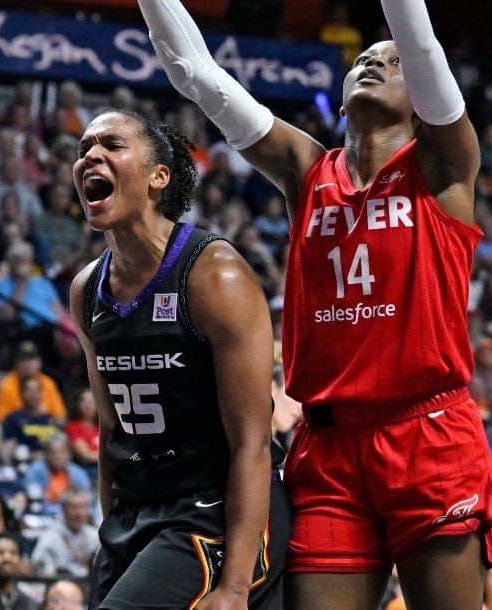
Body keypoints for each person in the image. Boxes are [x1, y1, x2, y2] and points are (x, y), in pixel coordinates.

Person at [138, 0, 492, 607]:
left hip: (429, 432)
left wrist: (407, 45)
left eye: (390, 61)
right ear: (336, 95)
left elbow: (420, 39)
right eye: (361, 59)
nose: (373, 63)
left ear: (424, 98)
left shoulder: (444, 166)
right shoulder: (308, 171)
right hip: (329, 447)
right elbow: (194, 72)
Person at [68, 106, 285, 610]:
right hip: (136, 511)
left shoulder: (215, 276)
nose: (90, 156)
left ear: (158, 176)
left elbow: (253, 441)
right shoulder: (86, 290)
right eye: (83, 151)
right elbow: (110, 433)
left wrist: (233, 587)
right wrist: (112, 536)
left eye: (111, 145)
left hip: (209, 508)